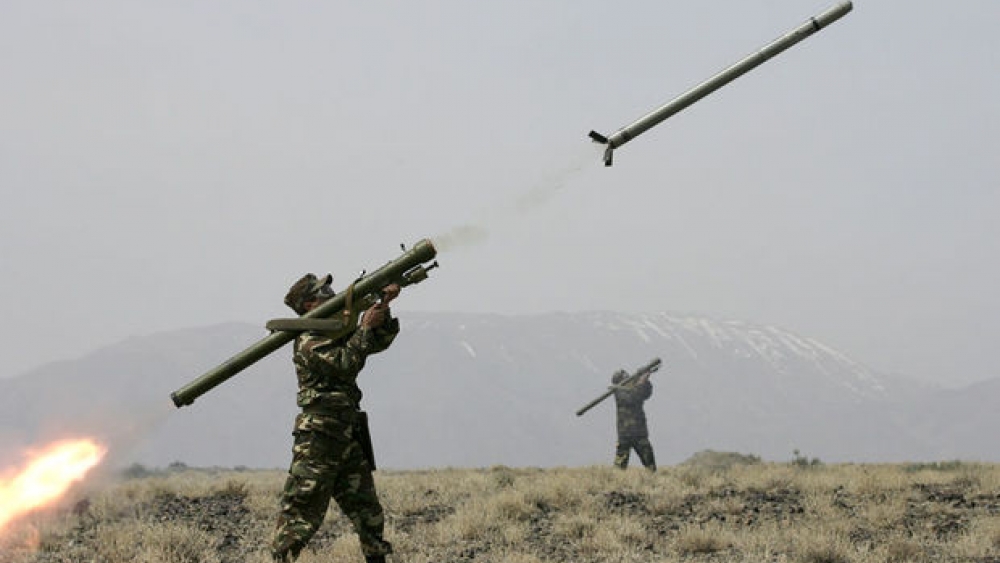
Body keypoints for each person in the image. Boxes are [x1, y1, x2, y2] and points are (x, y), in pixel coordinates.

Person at [270, 273, 401, 563]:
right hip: (319, 437)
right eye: (323, 291)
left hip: (347, 433)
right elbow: (346, 363)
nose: (332, 293)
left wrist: (384, 306)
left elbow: (377, 342)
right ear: (308, 304)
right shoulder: (308, 341)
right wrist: (364, 326)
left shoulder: (333, 332)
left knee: (368, 512)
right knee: (301, 515)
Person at [611, 369, 656, 471]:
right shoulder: (619, 391)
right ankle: (616, 482)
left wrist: (645, 381)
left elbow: (646, 393)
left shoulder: (634, 389)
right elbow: (632, 398)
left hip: (639, 432)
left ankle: (652, 482)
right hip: (625, 433)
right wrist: (641, 382)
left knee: (650, 464)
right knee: (620, 466)